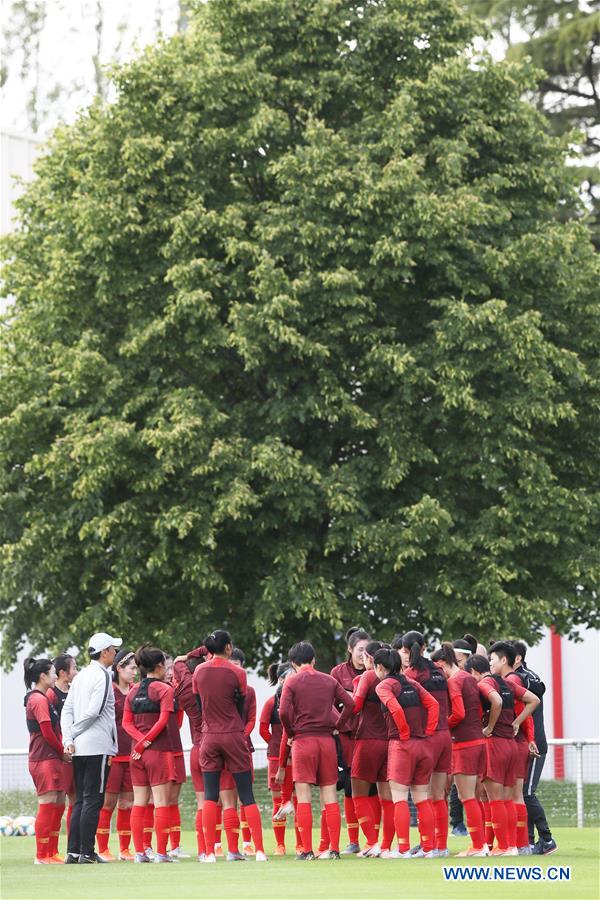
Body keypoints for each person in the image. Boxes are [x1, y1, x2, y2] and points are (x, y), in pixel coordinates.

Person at [193, 629, 267, 863]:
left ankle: (208, 852)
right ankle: (260, 851)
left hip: (209, 736)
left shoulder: (198, 671)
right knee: (246, 795)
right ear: (228, 648)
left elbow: (199, 705)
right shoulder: (238, 672)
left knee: (210, 796)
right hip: (233, 735)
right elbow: (240, 704)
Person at [277, 640, 354, 860]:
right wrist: (338, 725)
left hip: (303, 742)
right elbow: (349, 704)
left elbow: (283, 712)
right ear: (314, 659)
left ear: (293, 663)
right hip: (327, 741)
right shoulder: (329, 680)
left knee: (304, 798)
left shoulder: (291, 682)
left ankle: (307, 850)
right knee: (329, 797)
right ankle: (335, 849)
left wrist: (291, 732)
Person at [465, 651, 538, 856]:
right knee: (508, 799)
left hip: (495, 744)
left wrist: (489, 727)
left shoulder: (484, 684)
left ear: (472, 671)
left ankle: (504, 847)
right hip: (511, 744)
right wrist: (516, 722)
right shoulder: (508, 683)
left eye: (493, 658)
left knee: (494, 799)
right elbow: (533, 700)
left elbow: (495, 701)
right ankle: (515, 845)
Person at [123, 644, 185, 864]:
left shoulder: (132, 690)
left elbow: (126, 723)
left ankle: (139, 853)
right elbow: (163, 721)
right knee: (161, 803)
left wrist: (139, 743)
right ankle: (160, 853)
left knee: (139, 802)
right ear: (159, 665)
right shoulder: (164, 690)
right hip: (159, 751)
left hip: (136, 755)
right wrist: (147, 741)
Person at [374, 648, 439, 859]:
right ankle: (429, 848)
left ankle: (403, 849)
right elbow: (434, 705)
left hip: (402, 745)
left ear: (380, 667)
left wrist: (403, 732)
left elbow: (395, 708)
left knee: (399, 798)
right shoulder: (413, 683)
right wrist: (428, 731)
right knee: (422, 797)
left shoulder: (384, 685)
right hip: (423, 745)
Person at [61, 632, 120, 864]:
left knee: (81, 801)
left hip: (79, 747)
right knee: (94, 799)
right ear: (104, 652)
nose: (115, 653)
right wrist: (72, 733)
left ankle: (73, 852)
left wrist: (69, 737)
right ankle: (87, 852)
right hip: (97, 745)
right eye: (113, 649)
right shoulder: (102, 675)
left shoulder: (81, 676)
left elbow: (67, 710)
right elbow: (93, 712)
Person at [431, 643, 488, 857]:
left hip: (464, 744)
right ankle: (483, 844)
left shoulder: (454, 681)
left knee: (467, 797)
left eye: (438, 668)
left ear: (444, 663)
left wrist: (442, 725)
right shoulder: (468, 678)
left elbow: (459, 713)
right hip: (479, 741)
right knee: (476, 796)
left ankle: (477, 846)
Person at [402, 631, 452, 857]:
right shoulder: (439, 670)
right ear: (424, 647)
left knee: (422, 795)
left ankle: (428, 844)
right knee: (439, 794)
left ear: (405, 650)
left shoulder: (411, 674)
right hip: (445, 736)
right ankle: (441, 846)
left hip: (428, 737)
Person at [493, 641, 541, 856]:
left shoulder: (510, 680)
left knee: (508, 797)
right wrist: (529, 737)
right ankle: (520, 845)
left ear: (505, 660)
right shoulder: (514, 679)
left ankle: (509, 844)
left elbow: (527, 710)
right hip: (519, 742)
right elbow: (528, 711)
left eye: (493, 658)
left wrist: (516, 726)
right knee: (516, 796)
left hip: (511, 742)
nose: (491, 663)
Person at [349, 640, 394, 858]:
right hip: (390, 742)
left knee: (359, 794)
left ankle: (371, 842)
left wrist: (338, 722)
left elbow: (355, 707)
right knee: (388, 797)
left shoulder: (368, 677)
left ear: (370, 659)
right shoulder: (396, 679)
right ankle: (386, 846)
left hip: (367, 740)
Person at [512, 640, 557, 855]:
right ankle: (528, 841)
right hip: (526, 743)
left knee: (527, 792)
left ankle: (547, 839)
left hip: (535, 744)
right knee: (522, 792)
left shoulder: (521, 679)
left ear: (516, 658)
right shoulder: (530, 676)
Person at [24, 657, 70, 864]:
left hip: (52, 757)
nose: (55, 675)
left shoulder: (44, 698)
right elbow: (47, 733)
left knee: (59, 802)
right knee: (47, 803)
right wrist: (62, 751)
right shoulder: (38, 700)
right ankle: (41, 855)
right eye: (52, 672)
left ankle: (52, 851)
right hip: (43, 758)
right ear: (43, 676)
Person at [330, 626, 370, 854]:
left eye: (367, 651)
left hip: (370, 737)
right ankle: (353, 840)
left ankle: (373, 839)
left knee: (372, 789)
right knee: (349, 787)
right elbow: (330, 704)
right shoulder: (338, 672)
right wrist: (338, 725)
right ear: (350, 649)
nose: (363, 655)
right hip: (347, 738)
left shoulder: (374, 672)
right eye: (360, 650)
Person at [95, 649, 137, 861]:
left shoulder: (136, 691)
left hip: (132, 755)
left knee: (127, 805)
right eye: (131, 668)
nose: (135, 672)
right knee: (107, 804)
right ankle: (102, 849)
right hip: (112, 753)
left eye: (137, 668)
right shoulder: (108, 689)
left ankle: (125, 848)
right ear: (119, 668)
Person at [173, 645, 208, 860]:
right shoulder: (213, 687)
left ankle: (204, 850)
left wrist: (191, 654)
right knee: (228, 802)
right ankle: (227, 848)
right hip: (215, 746)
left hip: (197, 749)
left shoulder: (184, 687)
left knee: (202, 803)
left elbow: (178, 661)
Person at [259, 662, 296, 855]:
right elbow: (263, 729)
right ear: (281, 679)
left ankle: (300, 844)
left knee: (298, 801)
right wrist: (275, 744)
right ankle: (280, 845)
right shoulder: (271, 703)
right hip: (276, 757)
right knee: (278, 802)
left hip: (296, 756)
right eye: (291, 676)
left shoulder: (299, 700)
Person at [47, 653, 78, 852]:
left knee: (75, 800)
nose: (77, 671)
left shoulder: (75, 691)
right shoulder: (51, 696)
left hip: (76, 753)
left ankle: (71, 847)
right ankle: (50, 849)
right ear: (62, 673)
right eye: (74, 668)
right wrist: (61, 749)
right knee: (59, 802)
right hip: (62, 756)